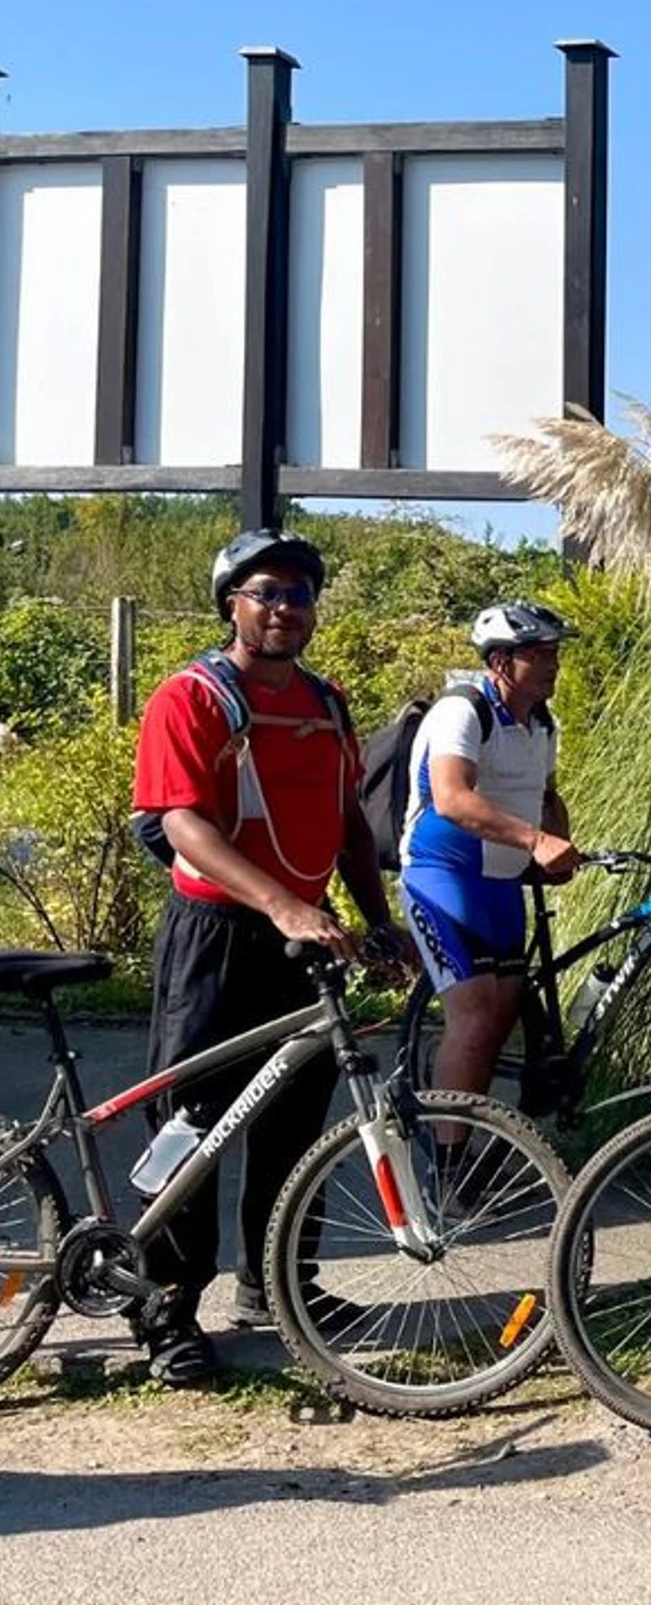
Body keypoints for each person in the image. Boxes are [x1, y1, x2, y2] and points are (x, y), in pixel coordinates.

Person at [127, 528, 407, 1383]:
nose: (286, 607)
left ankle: (279, 1284)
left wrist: (377, 921)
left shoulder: (326, 701)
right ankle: (167, 1304)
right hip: (217, 933)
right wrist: (283, 902)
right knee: (192, 1121)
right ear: (232, 605)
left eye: (299, 594)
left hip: (305, 936)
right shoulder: (191, 696)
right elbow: (183, 823)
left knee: (294, 1118)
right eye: (267, 593)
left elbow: (349, 822)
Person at [398, 601, 579, 1109]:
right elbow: (452, 798)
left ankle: (480, 1129)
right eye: (539, 654)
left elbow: (546, 795)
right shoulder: (463, 710)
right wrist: (537, 842)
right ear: (500, 661)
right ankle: (447, 1153)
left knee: (499, 1019)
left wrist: (559, 843)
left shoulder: (543, 723)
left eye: (555, 653)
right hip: (443, 875)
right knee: (476, 1016)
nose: (553, 664)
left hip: (501, 883)